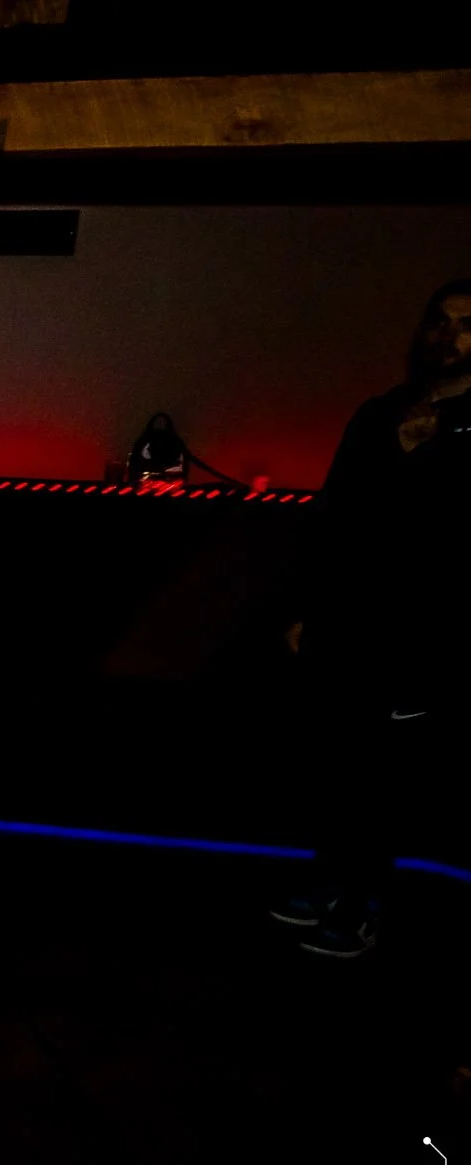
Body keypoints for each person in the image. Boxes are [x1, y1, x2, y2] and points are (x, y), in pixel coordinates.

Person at [279, 278, 471, 960]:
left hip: (422, 633)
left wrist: (430, 456)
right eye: (439, 321)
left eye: (466, 325)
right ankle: (332, 879)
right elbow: (334, 510)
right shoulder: (379, 411)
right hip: (347, 620)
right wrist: (305, 603)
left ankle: (365, 900)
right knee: (336, 759)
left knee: (387, 773)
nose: (450, 337)